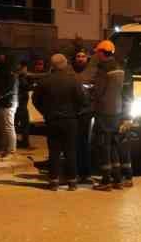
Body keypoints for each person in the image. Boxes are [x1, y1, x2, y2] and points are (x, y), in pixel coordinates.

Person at [33, 53, 88, 189]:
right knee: (70, 151)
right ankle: (72, 182)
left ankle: (53, 181)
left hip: (52, 119)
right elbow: (83, 100)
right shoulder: (74, 80)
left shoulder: (45, 81)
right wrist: (76, 112)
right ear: (64, 64)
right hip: (70, 120)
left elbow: (35, 100)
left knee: (54, 151)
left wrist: (45, 112)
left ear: (52, 65)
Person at [89, 40, 127, 190]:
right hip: (117, 111)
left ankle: (106, 180)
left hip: (104, 111)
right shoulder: (119, 68)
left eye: (97, 52)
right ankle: (117, 179)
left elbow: (99, 91)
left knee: (103, 145)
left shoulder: (103, 69)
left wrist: (90, 92)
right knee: (113, 145)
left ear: (101, 53)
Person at [71, 46, 97, 184]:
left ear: (87, 58)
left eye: (82, 56)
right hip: (73, 112)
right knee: (73, 144)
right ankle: (73, 173)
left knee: (84, 143)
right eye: (78, 56)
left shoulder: (92, 72)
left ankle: (85, 173)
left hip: (87, 112)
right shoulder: (70, 72)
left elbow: (97, 89)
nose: (80, 59)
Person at [0, 50, 18, 158]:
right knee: (1, 127)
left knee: (8, 126)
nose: (0, 57)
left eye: (2, 55)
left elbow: (10, 87)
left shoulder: (11, 70)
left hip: (8, 102)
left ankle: (11, 150)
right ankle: (3, 148)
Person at [16, 55, 42, 149]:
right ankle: (23, 143)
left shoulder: (20, 75)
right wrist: (34, 86)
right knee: (24, 124)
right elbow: (26, 86)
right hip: (20, 104)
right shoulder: (20, 76)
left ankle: (21, 142)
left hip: (20, 103)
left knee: (20, 124)